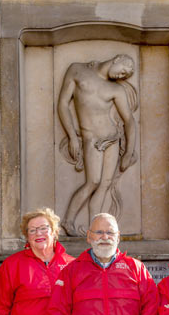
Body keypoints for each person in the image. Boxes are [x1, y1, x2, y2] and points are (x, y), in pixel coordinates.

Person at [57, 55, 138, 236]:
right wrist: (72, 136)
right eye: (123, 71)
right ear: (116, 60)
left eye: (126, 75)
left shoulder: (115, 89)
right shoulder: (77, 69)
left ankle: (96, 228)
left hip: (112, 140)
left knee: (105, 185)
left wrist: (128, 153)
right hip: (91, 139)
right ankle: (68, 220)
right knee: (92, 181)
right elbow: (62, 104)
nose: (122, 76)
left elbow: (130, 121)